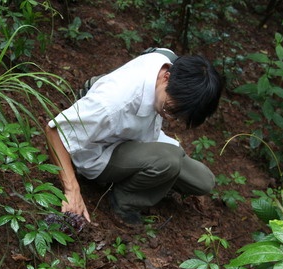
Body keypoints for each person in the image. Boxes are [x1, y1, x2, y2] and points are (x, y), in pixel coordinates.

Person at [44, 48, 223, 225]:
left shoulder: (167, 60)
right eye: (169, 109)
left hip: (135, 135)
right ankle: (124, 201)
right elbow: (55, 132)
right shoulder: (113, 102)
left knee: (203, 181)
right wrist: (72, 189)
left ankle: (149, 174)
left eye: (178, 116)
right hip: (100, 150)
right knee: (169, 160)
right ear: (166, 77)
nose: (170, 118)